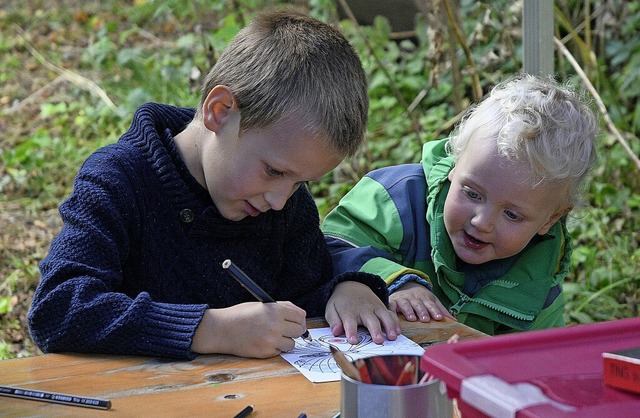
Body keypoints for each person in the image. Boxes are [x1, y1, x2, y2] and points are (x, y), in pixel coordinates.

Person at [28, 9, 401, 360]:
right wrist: (209, 329)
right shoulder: (118, 179)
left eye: (301, 182)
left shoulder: (286, 202)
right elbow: (58, 309)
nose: (280, 198)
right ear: (219, 111)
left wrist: (344, 289)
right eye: (274, 171)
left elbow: (301, 297)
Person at [322, 74, 599, 336]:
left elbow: (541, 357)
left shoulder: (539, 273)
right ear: (455, 164)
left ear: (550, 219)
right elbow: (330, 245)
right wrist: (394, 280)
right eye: (473, 194)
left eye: (512, 215)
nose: (482, 222)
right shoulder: (396, 198)